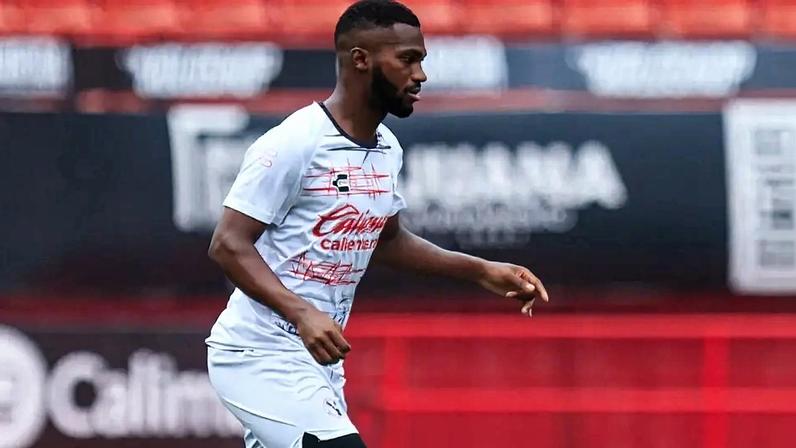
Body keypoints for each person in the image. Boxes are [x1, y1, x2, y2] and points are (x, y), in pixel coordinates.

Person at [205, 1, 549, 447]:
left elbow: (387, 240)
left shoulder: (386, 148)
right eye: (408, 59)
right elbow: (228, 244)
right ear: (361, 60)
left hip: (319, 359)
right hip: (259, 353)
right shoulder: (296, 142)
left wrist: (481, 269)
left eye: (421, 59)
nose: (420, 74)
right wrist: (303, 312)